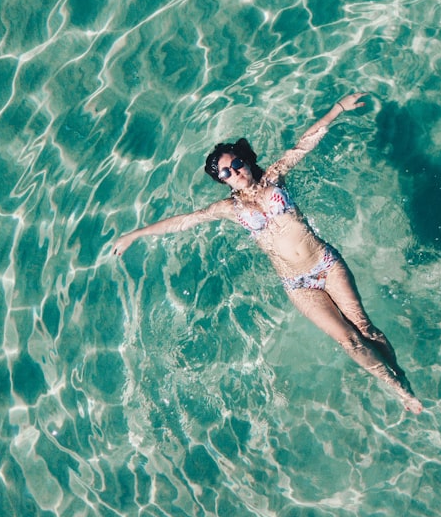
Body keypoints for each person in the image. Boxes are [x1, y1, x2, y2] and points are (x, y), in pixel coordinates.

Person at [112, 92, 423, 413]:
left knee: (366, 328)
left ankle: (398, 375)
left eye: (236, 163)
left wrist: (337, 110)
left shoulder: (274, 177)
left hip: (326, 264)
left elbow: (303, 145)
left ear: (245, 160)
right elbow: (185, 221)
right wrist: (136, 234)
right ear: (222, 181)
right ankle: (399, 390)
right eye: (226, 172)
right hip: (298, 285)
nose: (235, 171)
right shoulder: (229, 208)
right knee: (349, 341)